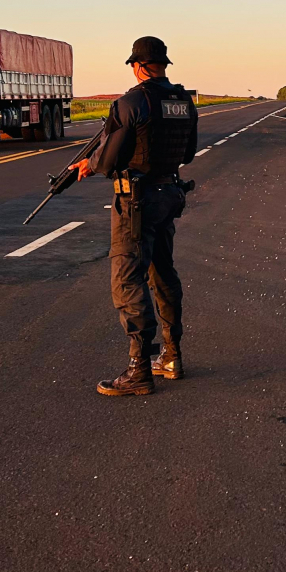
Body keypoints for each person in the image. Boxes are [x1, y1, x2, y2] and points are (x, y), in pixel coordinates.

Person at [70, 36, 198, 397]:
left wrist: (89, 164)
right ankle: (171, 357)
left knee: (127, 282)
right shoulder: (184, 101)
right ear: (163, 65)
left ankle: (139, 370)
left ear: (137, 65)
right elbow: (187, 151)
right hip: (169, 194)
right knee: (163, 273)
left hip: (138, 202)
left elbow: (109, 159)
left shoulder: (131, 102)